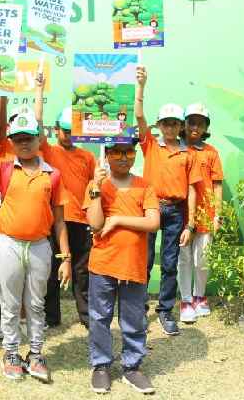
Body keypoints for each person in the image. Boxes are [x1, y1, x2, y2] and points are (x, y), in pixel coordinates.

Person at [0, 107, 71, 382]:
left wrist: (65, 257)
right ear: (11, 141)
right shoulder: (3, 169)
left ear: (39, 138)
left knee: (35, 305)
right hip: (7, 245)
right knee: (9, 305)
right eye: (18, 138)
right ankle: (10, 353)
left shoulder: (52, 175)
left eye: (28, 137)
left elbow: (60, 222)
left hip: (40, 247)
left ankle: (35, 354)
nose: (24, 143)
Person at [85, 140, 159, 395]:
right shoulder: (97, 186)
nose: (123, 157)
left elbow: (153, 223)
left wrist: (116, 219)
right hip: (103, 264)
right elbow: (95, 224)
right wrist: (95, 186)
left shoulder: (144, 186)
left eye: (128, 152)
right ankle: (101, 366)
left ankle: (132, 367)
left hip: (133, 266)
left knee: (133, 319)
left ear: (135, 154)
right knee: (99, 317)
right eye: (116, 152)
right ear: (107, 155)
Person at [134, 66, 201, 336]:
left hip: (175, 213)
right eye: (166, 123)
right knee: (145, 260)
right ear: (159, 126)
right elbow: (138, 115)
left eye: (175, 123)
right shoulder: (151, 144)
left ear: (180, 126)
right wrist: (142, 85)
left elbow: (193, 190)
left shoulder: (188, 154)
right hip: (150, 209)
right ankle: (138, 308)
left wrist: (191, 224)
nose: (171, 127)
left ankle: (165, 311)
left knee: (170, 262)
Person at [33, 72, 96, 329]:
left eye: (73, 130)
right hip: (55, 220)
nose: (68, 135)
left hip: (81, 221)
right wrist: (38, 90)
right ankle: (51, 317)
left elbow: (94, 186)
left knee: (82, 272)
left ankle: (87, 317)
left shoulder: (87, 156)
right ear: (56, 130)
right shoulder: (49, 151)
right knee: (50, 271)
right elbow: (37, 124)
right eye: (64, 130)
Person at [178, 103, 224, 321]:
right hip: (181, 214)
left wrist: (217, 215)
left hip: (206, 213)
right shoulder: (175, 148)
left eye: (200, 123)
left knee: (202, 258)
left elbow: (217, 185)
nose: (195, 127)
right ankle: (186, 300)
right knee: (184, 258)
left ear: (206, 127)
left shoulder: (211, 152)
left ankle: (200, 297)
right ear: (184, 125)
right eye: (191, 122)